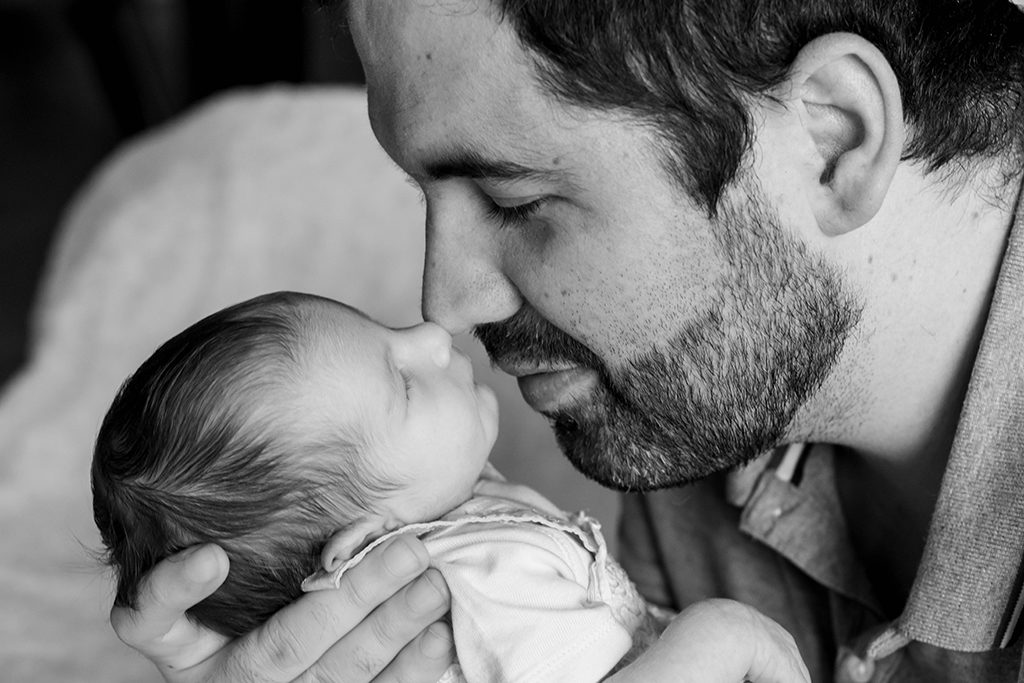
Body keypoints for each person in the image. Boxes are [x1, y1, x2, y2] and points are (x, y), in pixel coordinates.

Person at [107, 0, 1024, 681]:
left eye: (514, 200)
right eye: (424, 199)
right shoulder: (688, 421)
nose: (446, 305)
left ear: (832, 138)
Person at [91, 290, 809, 683]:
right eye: (403, 383)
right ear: (366, 545)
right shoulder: (480, 582)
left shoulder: (466, 528)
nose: (434, 334)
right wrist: (723, 633)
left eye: (385, 328)